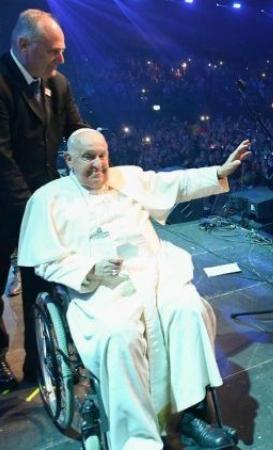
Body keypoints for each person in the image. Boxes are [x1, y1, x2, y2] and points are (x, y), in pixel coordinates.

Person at [17, 129, 251, 450]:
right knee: (119, 335)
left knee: (188, 311)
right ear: (68, 160)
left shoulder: (127, 178)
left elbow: (176, 183)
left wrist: (217, 173)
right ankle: (138, 439)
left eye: (103, 155)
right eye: (88, 157)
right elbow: (45, 262)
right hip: (100, 288)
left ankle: (191, 415)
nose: (99, 164)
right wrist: (89, 270)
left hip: (156, 272)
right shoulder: (49, 198)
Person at [0, 9, 89, 389]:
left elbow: (77, 131)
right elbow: (1, 159)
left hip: (41, 200)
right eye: (54, 50)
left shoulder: (59, 84)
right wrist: (32, 214)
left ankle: (41, 365)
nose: (61, 58)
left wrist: (95, 154)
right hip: (8, 201)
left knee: (43, 282)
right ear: (23, 45)